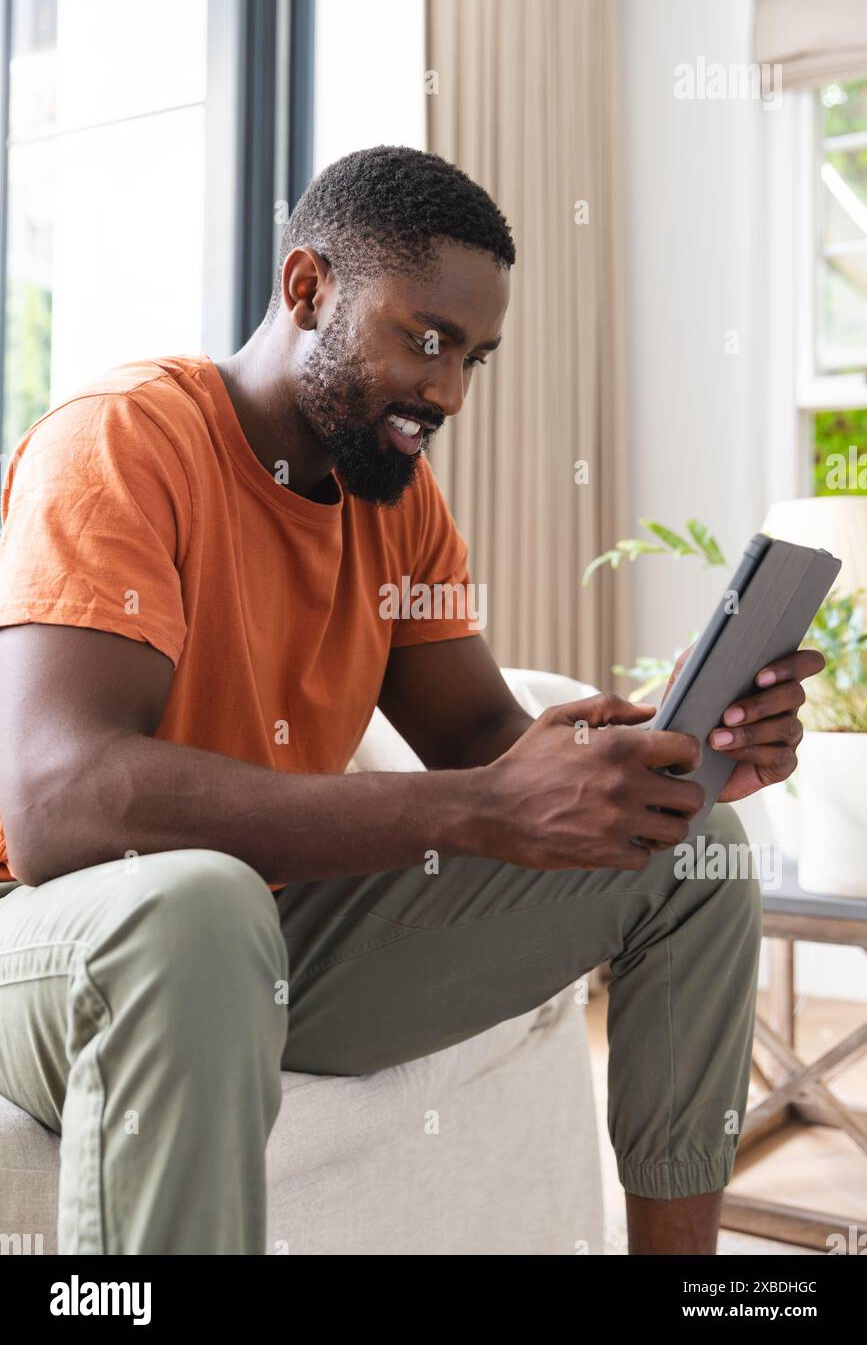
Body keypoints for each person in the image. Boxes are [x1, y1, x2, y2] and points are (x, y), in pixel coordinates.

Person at [0, 145, 821, 1255]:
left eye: (475, 358)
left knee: (688, 845)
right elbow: (63, 805)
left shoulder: (393, 499)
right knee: (196, 907)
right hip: (64, 946)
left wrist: (666, 749)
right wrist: (477, 808)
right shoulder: (122, 442)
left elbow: (481, 736)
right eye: (424, 340)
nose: (448, 392)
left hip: (267, 932)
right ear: (308, 289)